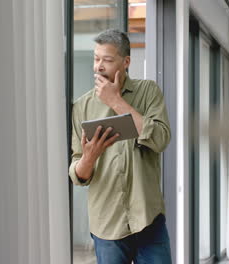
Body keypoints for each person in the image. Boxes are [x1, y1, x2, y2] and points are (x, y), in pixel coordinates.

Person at [68, 29, 172, 264]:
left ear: (125, 62)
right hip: (107, 225)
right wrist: (89, 157)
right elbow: (77, 175)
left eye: (107, 60)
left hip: (148, 219)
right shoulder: (82, 106)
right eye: (96, 59)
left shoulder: (148, 92)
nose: (98, 67)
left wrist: (115, 101)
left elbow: (161, 139)